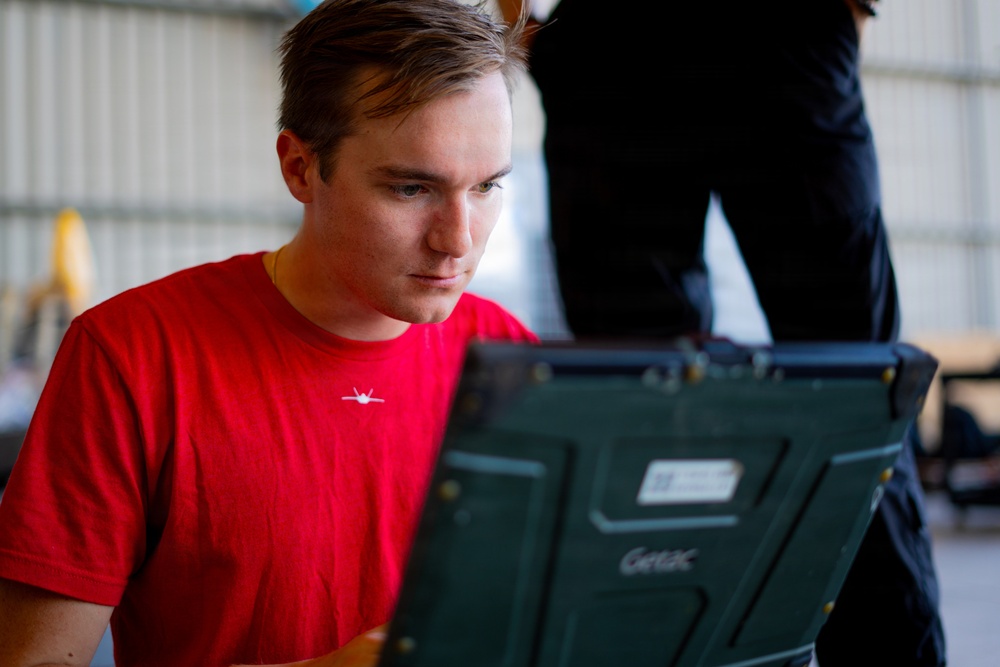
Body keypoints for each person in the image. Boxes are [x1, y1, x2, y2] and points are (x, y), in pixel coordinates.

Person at [0, 1, 532, 665]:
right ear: (300, 169)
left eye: (486, 185)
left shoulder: (510, 358)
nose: (459, 239)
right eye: (410, 188)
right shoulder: (131, 355)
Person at [498, 0, 946, 664]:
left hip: (768, 32)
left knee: (858, 395)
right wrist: (532, 32)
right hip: (610, 51)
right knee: (649, 410)